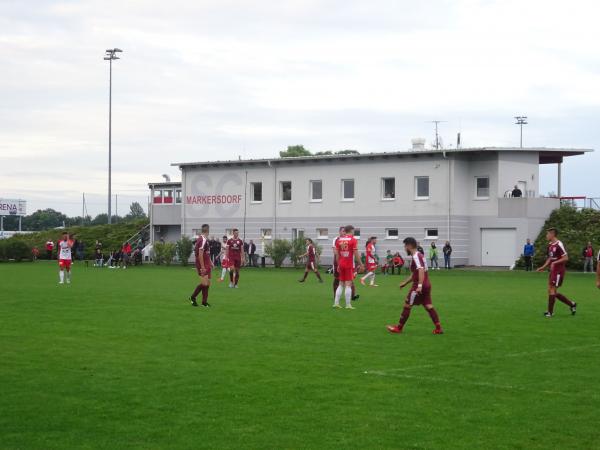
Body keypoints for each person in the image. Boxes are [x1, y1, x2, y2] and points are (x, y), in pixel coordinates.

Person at [387, 237, 444, 335]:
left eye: (405, 246)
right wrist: (405, 283)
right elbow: (415, 273)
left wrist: (419, 285)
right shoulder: (420, 255)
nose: (404, 249)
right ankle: (438, 328)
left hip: (419, 286)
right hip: (427, 284)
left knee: (407, 305)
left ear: (409, 246)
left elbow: (421, 270)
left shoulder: (416, 256)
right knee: (428, 306)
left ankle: (399, 328)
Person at [537, 228, 577, 318]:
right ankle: (572, 304)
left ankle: (550, 312)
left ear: (552, 234)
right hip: (553, 270)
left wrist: (554, 263)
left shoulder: (559, 244)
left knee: (552, 290)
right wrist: (543, 267)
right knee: (551, 291)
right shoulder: (550, 245)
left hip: (559, 271)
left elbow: (566, 258)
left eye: (547, 234)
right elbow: (550, 258)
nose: (546, 236)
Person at [333, 225, 364, 309]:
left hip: (341, 263)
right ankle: (348, 305)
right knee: (348, 284)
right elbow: (356, 253)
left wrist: (338, 264)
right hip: (348, 264)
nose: (354, 233)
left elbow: (337, 254)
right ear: (351, 230)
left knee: (341, 284)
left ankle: (336, 303)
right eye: (354, 231)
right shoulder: (353, 240)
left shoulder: (339, 240)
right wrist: (361, 264)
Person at [190, 223, 212, 307]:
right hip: (202, 264)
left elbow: (206, 253)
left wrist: (211, 262)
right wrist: (202, 267)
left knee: (207, 283)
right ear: (207, 230)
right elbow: (200, 254)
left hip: (206, 263)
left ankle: (204, 302)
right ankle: (193, 297)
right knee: (204, 284)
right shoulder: (202, 240)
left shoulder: (204, 239)